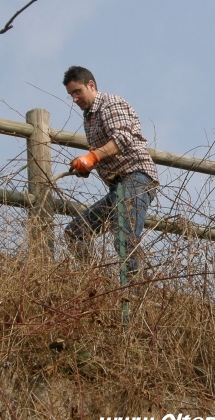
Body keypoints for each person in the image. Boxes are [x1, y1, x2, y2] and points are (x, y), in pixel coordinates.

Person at [62, 66, 158, 280]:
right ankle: (100, 280)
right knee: (74, 233)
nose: (74, 99)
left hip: (137, 177)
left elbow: (122, 139)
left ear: (91, 85)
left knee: (124, 237)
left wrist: (93, 157)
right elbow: (106, 153)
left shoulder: (110, 104)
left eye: (77, 92)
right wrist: (87, 166)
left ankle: (135, 293)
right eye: (71, 95)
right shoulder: (89, 118)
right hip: (118, 187)